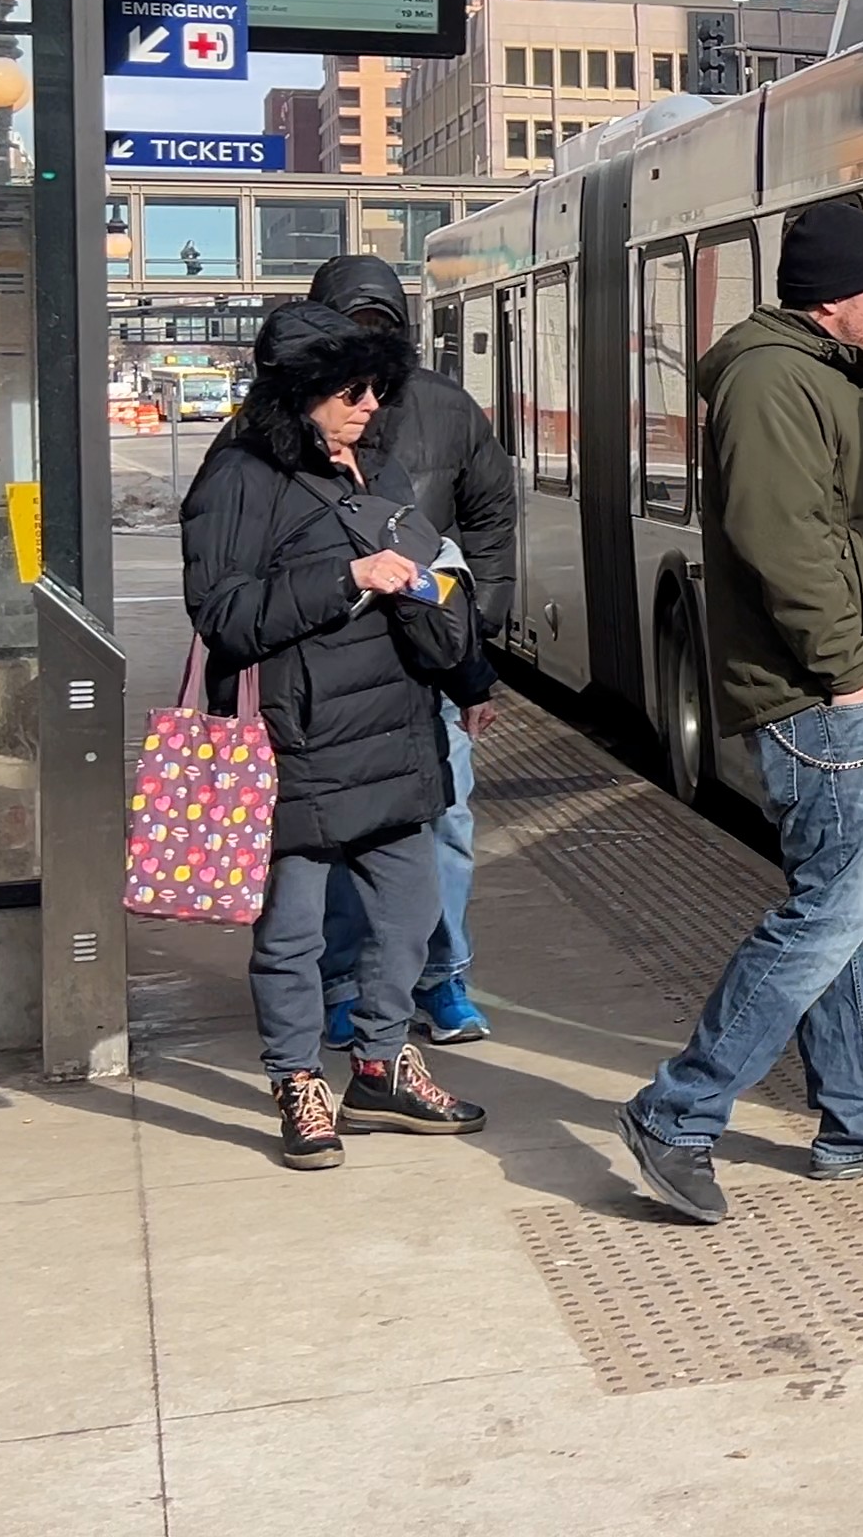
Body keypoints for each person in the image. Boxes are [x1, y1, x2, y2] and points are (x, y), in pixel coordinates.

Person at [619, 204, 863, 1224]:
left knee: (856, 918)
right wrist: (848, 674)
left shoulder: (818, 372)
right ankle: (678, 1113)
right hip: (820, 700)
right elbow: (783, 541)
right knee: (830, 917)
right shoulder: (778, 381)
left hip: (837, 692)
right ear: (833, 295)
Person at [183, 302, 488, 1170]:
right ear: (302, 392)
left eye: (378, 386)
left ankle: (381, 1064)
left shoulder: (371, 464)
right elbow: (224, 616)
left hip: (390, 731)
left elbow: (435, 565)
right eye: (350, 388)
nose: (369, 403)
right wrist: (347, 576)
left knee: (410, 911)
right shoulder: (237, 476)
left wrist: (454, 634)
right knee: (293, 931)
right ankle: (295, 1080)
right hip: (296, 740)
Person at [304, 254, 515, 1049]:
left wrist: (476, 636)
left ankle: (442, 978)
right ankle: (342, 982)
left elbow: (491, 519)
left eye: (380, 337)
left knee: (447, 824)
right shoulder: (280, 420)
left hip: (426, 666)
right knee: (337, 834)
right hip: (329, 673)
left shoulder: (448, 411)